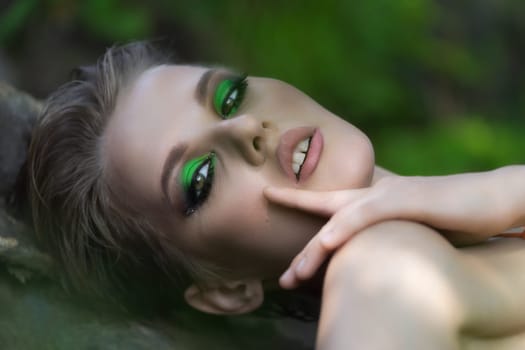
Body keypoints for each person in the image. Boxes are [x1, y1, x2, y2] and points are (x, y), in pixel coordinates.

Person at [28, 41, 525, 349]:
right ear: (227, 290)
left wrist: (504, 188)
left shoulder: (464, 230)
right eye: (200, 179)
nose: (246, 128)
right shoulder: (379, 277)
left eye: (228, 97)